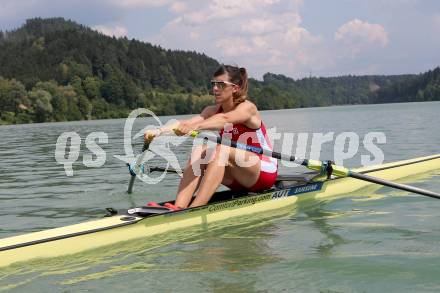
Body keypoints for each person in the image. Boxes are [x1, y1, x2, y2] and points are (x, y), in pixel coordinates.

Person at [144, 65, 278, 210]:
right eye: (213, 84)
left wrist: (196, 127)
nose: (215, 89)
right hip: (237, 175)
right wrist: (158, 131)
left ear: (235, 88)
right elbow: (186, 123)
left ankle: (196, 208)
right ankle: (179, 207)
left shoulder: (247, 108)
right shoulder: (210, 110)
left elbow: (225, 118)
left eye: (221, 85)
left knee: (222, 150)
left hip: (263, 172)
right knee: (200, 151)